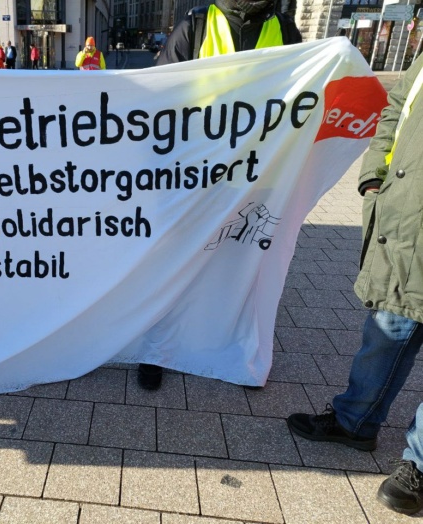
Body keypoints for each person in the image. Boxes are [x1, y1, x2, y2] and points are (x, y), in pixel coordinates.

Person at [137, 0, 302, 390]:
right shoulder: (197, 25)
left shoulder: (284, 29)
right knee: (175, 265)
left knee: (243, 268)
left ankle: (236, 352)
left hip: (258, 175)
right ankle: (155, 351)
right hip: (196, 175)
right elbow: (161, 96)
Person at [287, 53, 423, 516]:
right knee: (388, 329)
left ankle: (419, 463)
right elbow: (398, 108)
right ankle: (355, 421)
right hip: (407, 218)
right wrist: (373, 178)